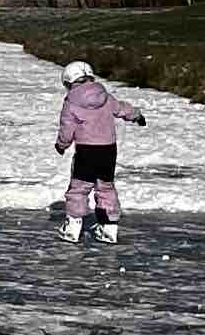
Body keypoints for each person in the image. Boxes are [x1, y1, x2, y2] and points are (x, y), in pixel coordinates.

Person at [52, 58, 147, 250]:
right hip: (108, 151)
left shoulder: (71, 102)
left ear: (70, 82)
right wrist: (137, 115)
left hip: (86, 151)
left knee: (79, 188)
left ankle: (73, 227)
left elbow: (67, 127)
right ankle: (109, 228)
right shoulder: (105, 96)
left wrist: (62, 144)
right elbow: (122, 108)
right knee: (106, 187)